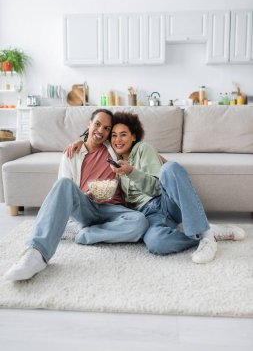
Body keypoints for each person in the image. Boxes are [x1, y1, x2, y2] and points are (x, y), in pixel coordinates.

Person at [65, 111, 245, 264]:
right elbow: (97, 134)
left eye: (123, 134)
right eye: (114, 135)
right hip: (148, 215)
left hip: (165, 202)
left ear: (134, 136)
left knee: (170, 168)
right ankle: (201, 235)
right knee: (156, 243)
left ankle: (205, 235)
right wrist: (81, 141)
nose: (118, 139)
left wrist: (131, 172)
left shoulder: (143, 149)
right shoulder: (113, 159)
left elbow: (156, 188)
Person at [4, 109, 149, 281]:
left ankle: (85, 234)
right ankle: (37, 254)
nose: (101, 131)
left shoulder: (114, 149)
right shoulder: (72, 154)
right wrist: (88, 194)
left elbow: (141, 152)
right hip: (86, 206)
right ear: (89, 124)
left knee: (140, 222)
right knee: (63, 184)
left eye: (107, 128)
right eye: (97, 124)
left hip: (113, 209)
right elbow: (63, 195)